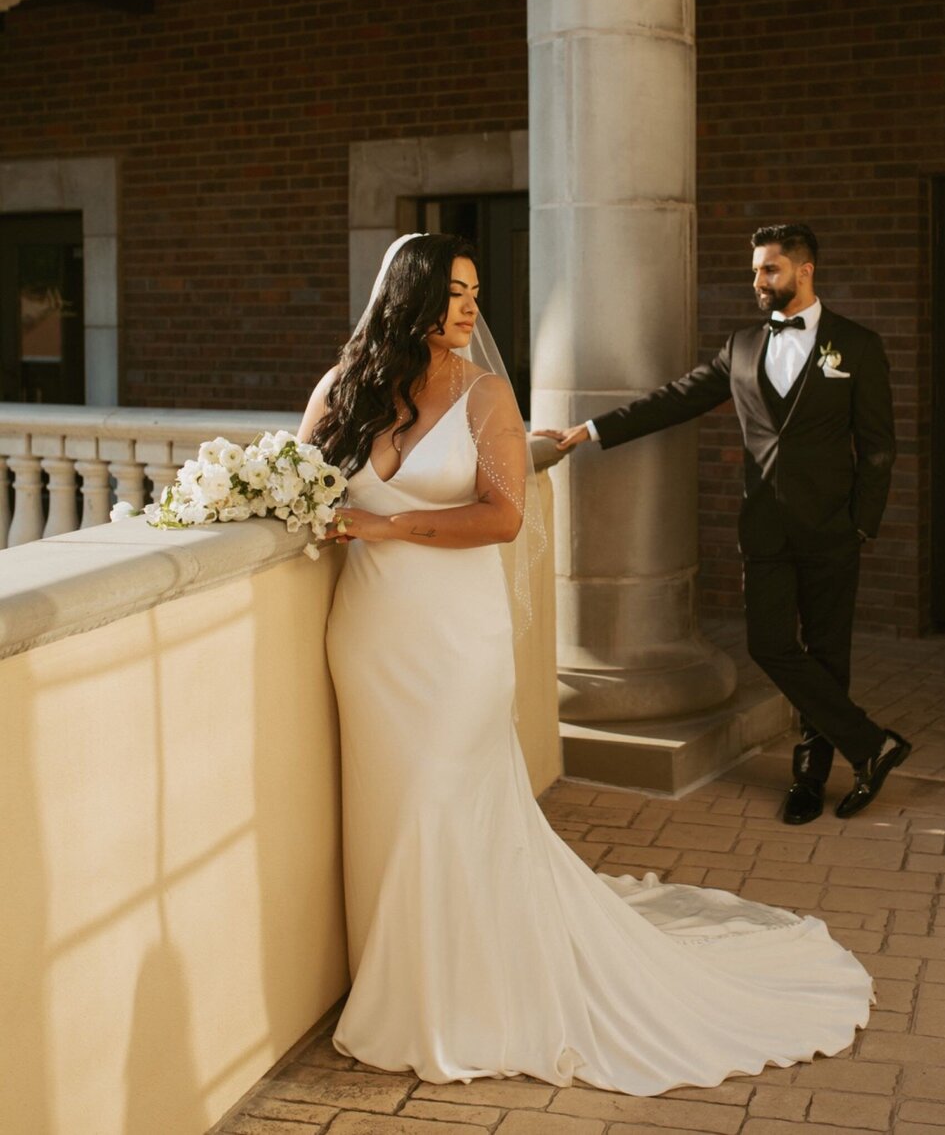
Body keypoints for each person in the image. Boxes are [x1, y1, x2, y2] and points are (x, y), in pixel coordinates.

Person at [298, 231, 871, 1094]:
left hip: (456, 640)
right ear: (410, 296)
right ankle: (401, 969)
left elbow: (500, 518)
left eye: (474, 293)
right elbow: (301, 480)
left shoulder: (485, 394)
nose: (469, 309)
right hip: (368, 635)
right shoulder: (344, 390)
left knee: (441, 801)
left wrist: (387, 524)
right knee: (387, 806)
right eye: (455, 292)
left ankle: (448, 997)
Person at [544, 224, 910, 827]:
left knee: (827, 655)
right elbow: (676, 397)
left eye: (770, 270)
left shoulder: (858, 346)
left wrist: (861, 526)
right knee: (769, 645)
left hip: (833, 530)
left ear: (804, 270)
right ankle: (872, 745)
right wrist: (592, 429)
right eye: (755, 272)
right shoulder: (741, 347)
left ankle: (810, 777)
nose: (759, 283)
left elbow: (879, 447)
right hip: (764, 527)